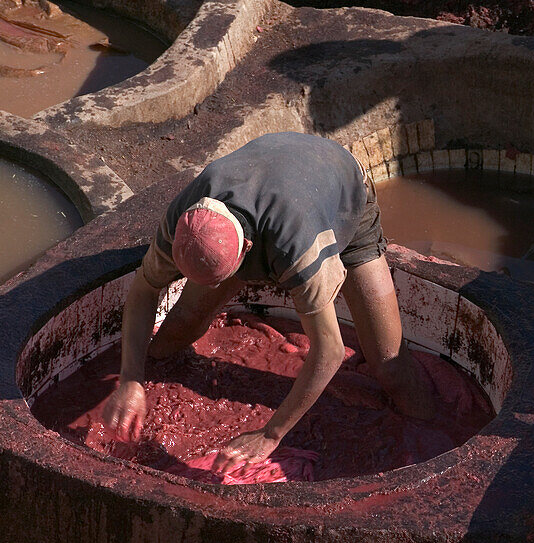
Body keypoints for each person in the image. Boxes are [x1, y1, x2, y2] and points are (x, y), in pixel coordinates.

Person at [100, 132, 433, 474]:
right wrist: (130, 379)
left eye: (221, 279)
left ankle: (432, 433)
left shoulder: (297, 248)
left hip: (342, 191)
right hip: (274, 175)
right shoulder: (184, 222)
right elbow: (143, 291)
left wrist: (271, 434)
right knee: (183, 321)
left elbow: (330, 350)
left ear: (245, 251)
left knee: (388, 365)